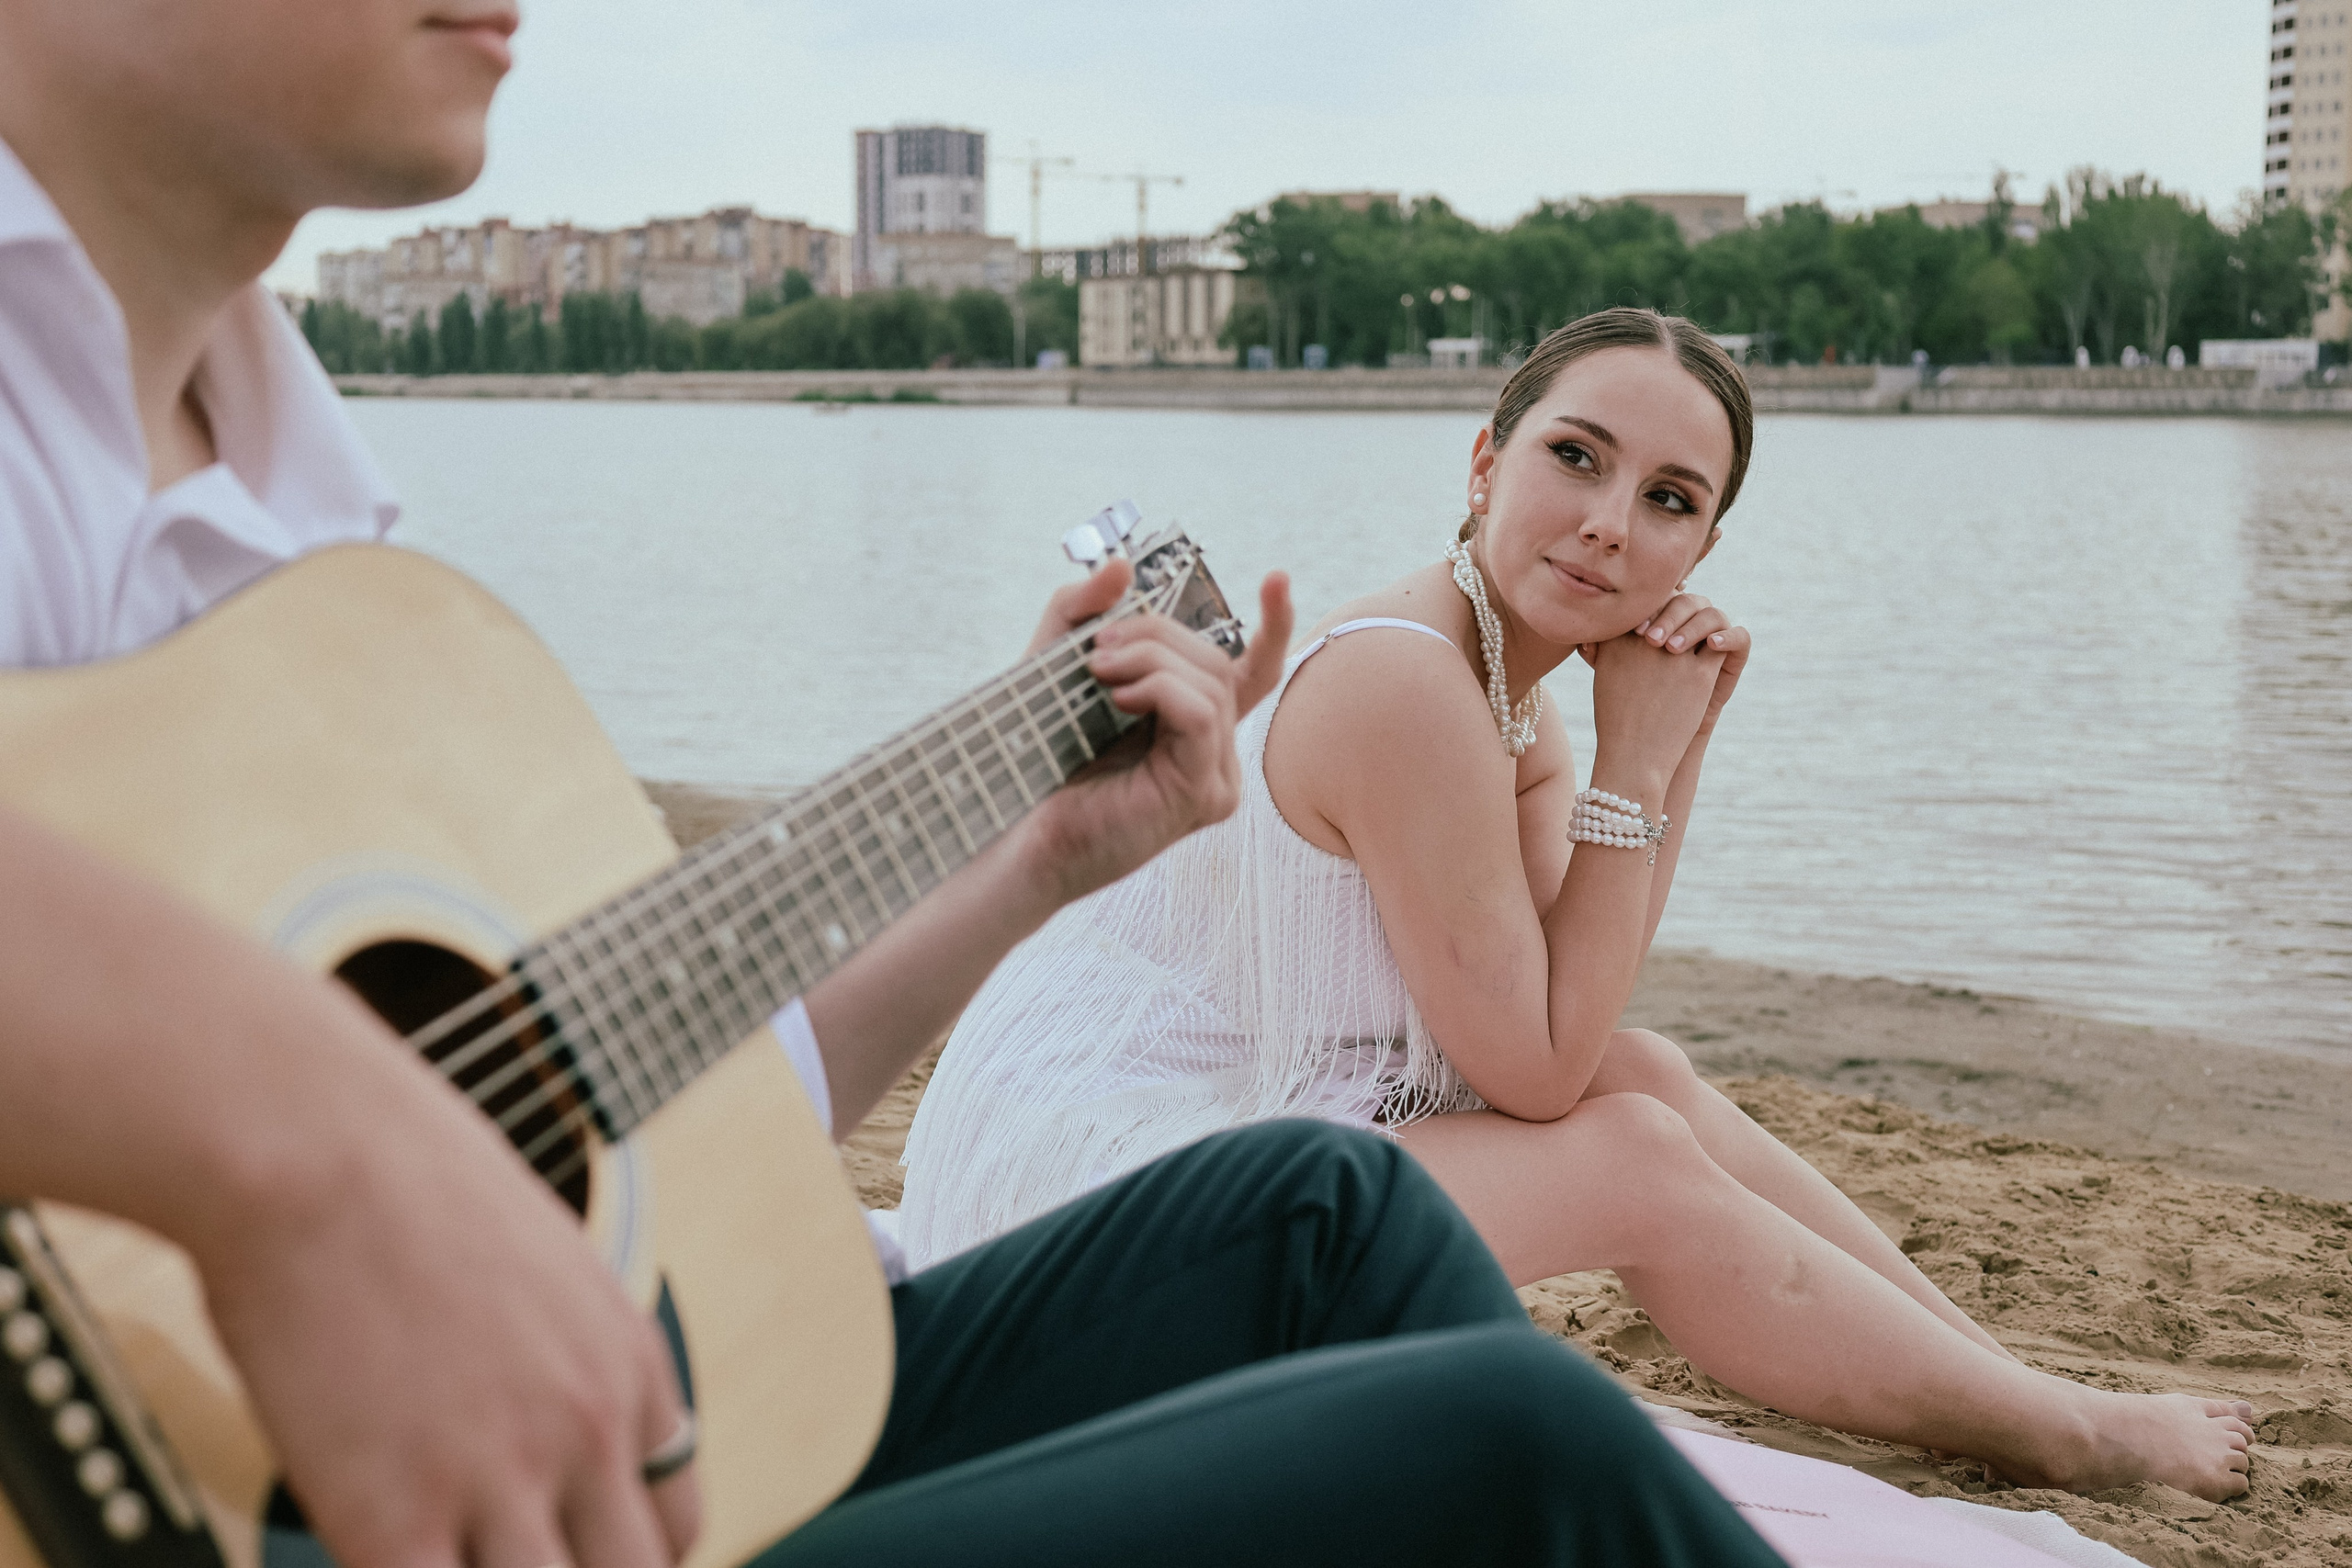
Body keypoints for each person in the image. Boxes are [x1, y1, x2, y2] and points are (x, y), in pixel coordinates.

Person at [0, 2, 1791, 1565]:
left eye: (1672, 500)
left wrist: (1027, 862)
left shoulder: (305, 500)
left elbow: (639, 1107)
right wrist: (310, 1155)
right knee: (1509, 1440)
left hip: (566, 1458)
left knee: (1334, 1212)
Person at [898, 308, 2260, 1502]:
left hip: (1235, 1132)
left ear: (1704, 545)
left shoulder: (1509, 691)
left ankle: (1999, 1379)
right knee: (1629, 1159)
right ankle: (2066, 1434)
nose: (1612, 522)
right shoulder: (1406, 683)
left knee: (1645, 1072)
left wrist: (1679, 737)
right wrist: (1645, 759)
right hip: (1089, 1207)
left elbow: (1576, 998)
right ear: (1486, 462)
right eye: (1576, 456)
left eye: (1670, 499)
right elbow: (1535, 1078)